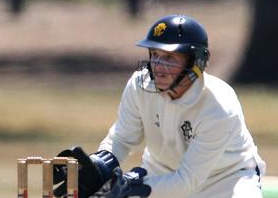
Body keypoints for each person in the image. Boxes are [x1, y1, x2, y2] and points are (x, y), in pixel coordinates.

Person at [53, 14, 266, 198]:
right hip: (159, 171)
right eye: (155, 55)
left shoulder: (219, 106)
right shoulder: (140, 84)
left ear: (196, 61)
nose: (159, 67)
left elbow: (187, 181)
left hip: (227, 179)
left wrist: (127, 186)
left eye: (170, 58)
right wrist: (101, 165)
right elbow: (122, 138)